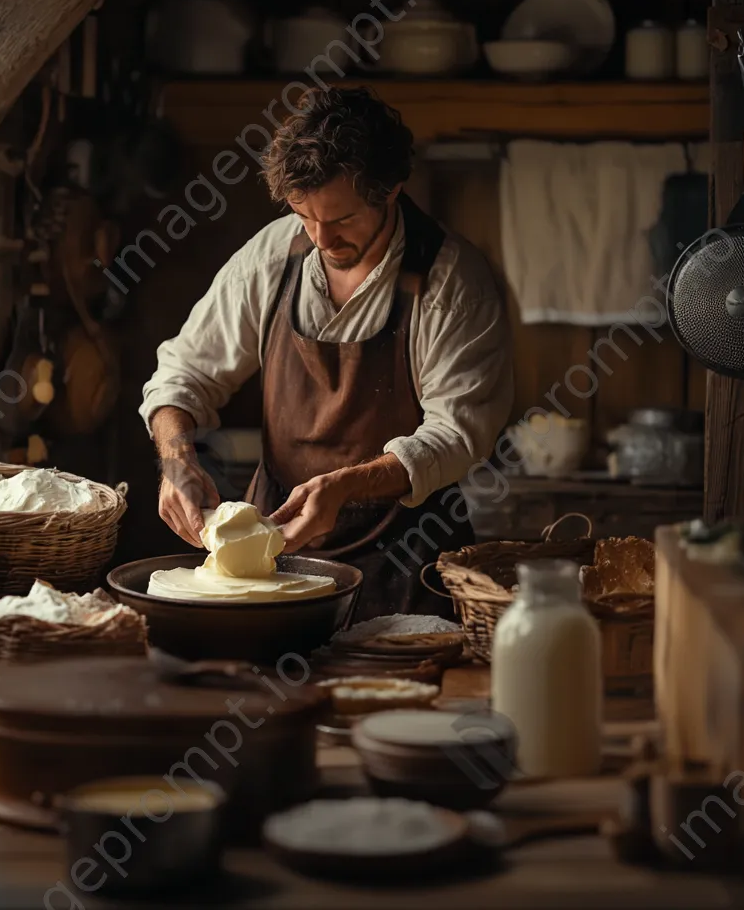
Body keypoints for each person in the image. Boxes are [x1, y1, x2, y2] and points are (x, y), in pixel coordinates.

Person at [140, 86, 513, 618]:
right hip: (272, 561)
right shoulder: (273, 255)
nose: (320, 237)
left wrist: (346, 486)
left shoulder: (452, 282)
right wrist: (176, 461)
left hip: (407, 562)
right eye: (303, 215)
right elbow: (184, 372)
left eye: (340, 220)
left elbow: (458, 433)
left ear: (391, 189)